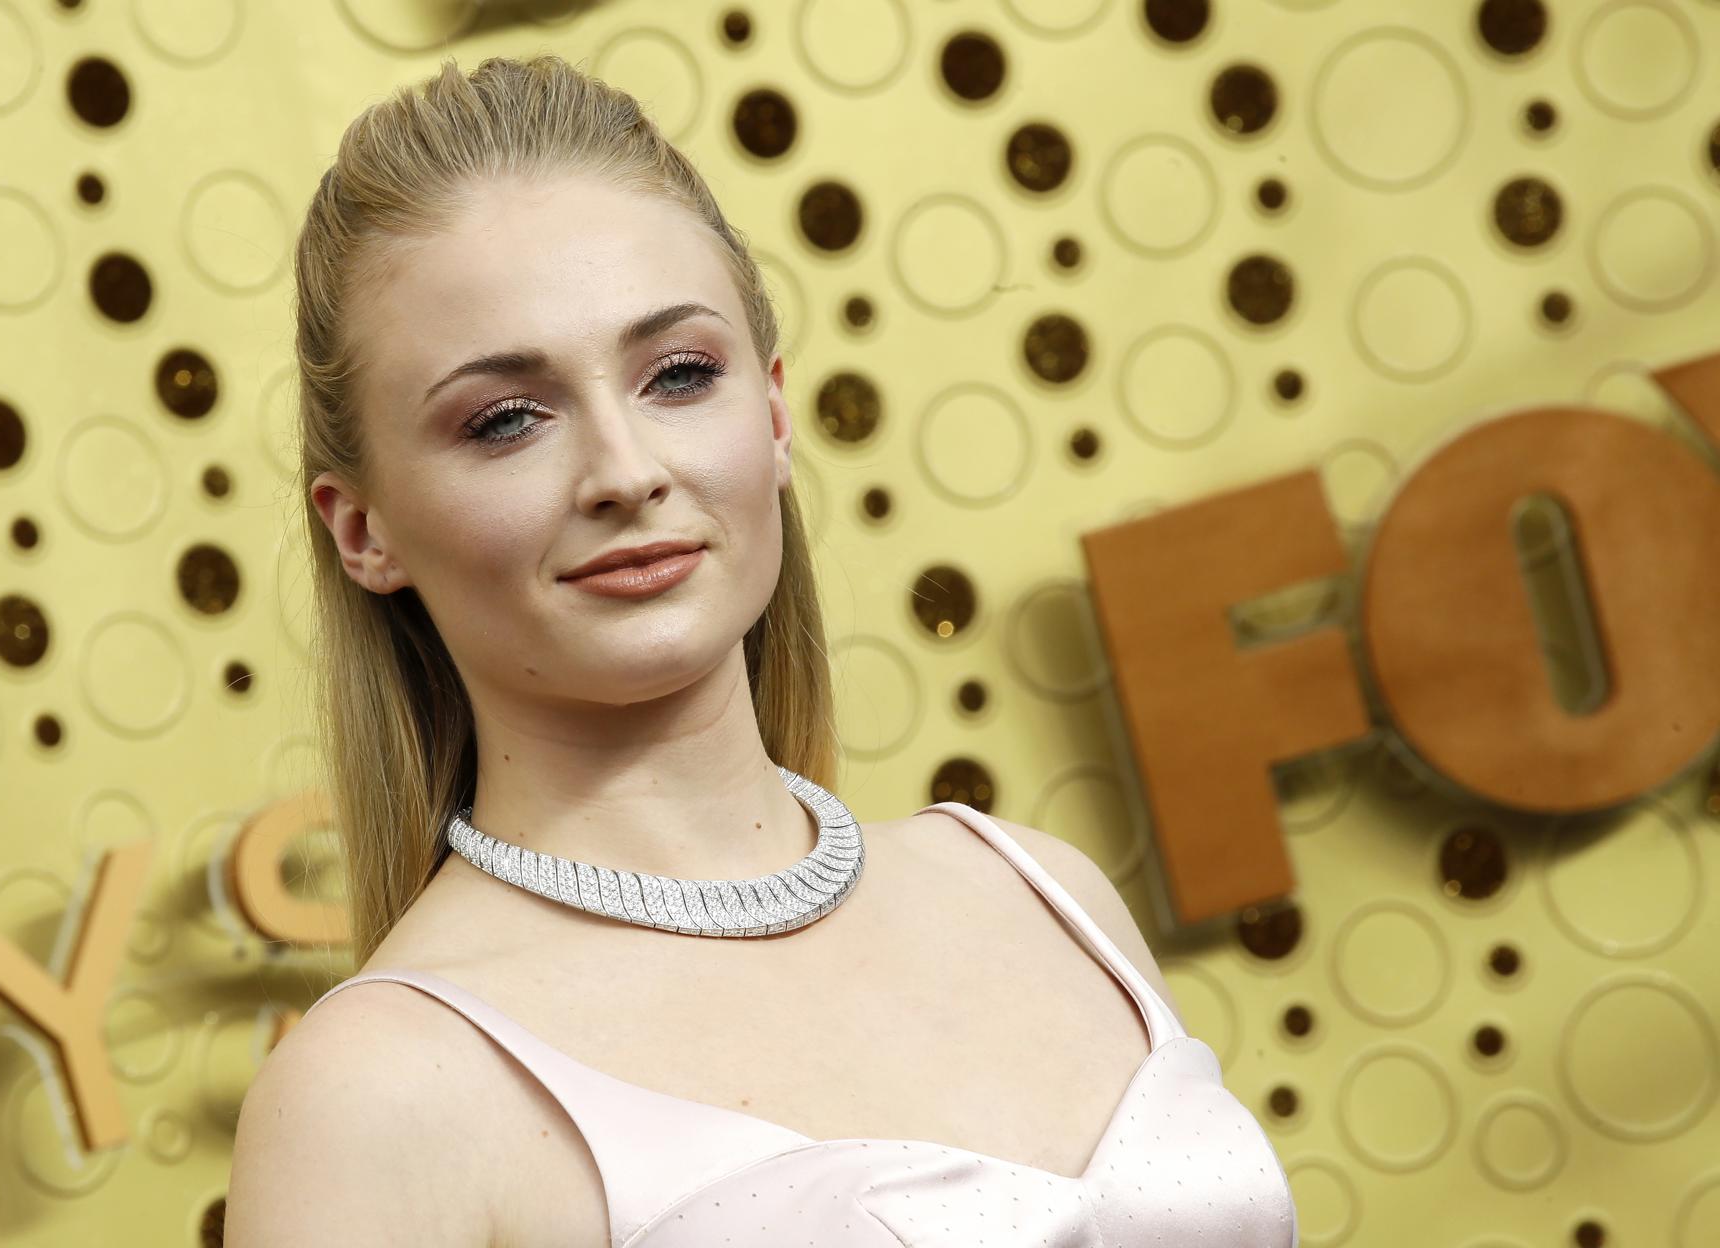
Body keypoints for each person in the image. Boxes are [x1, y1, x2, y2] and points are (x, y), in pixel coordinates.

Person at [225, 54, 1296, 1248]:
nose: (627, 471)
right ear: (363, 532)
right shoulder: (372, 1096)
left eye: (680, 375)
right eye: (506, 420)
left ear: (775, 414)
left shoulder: (1043, 892)